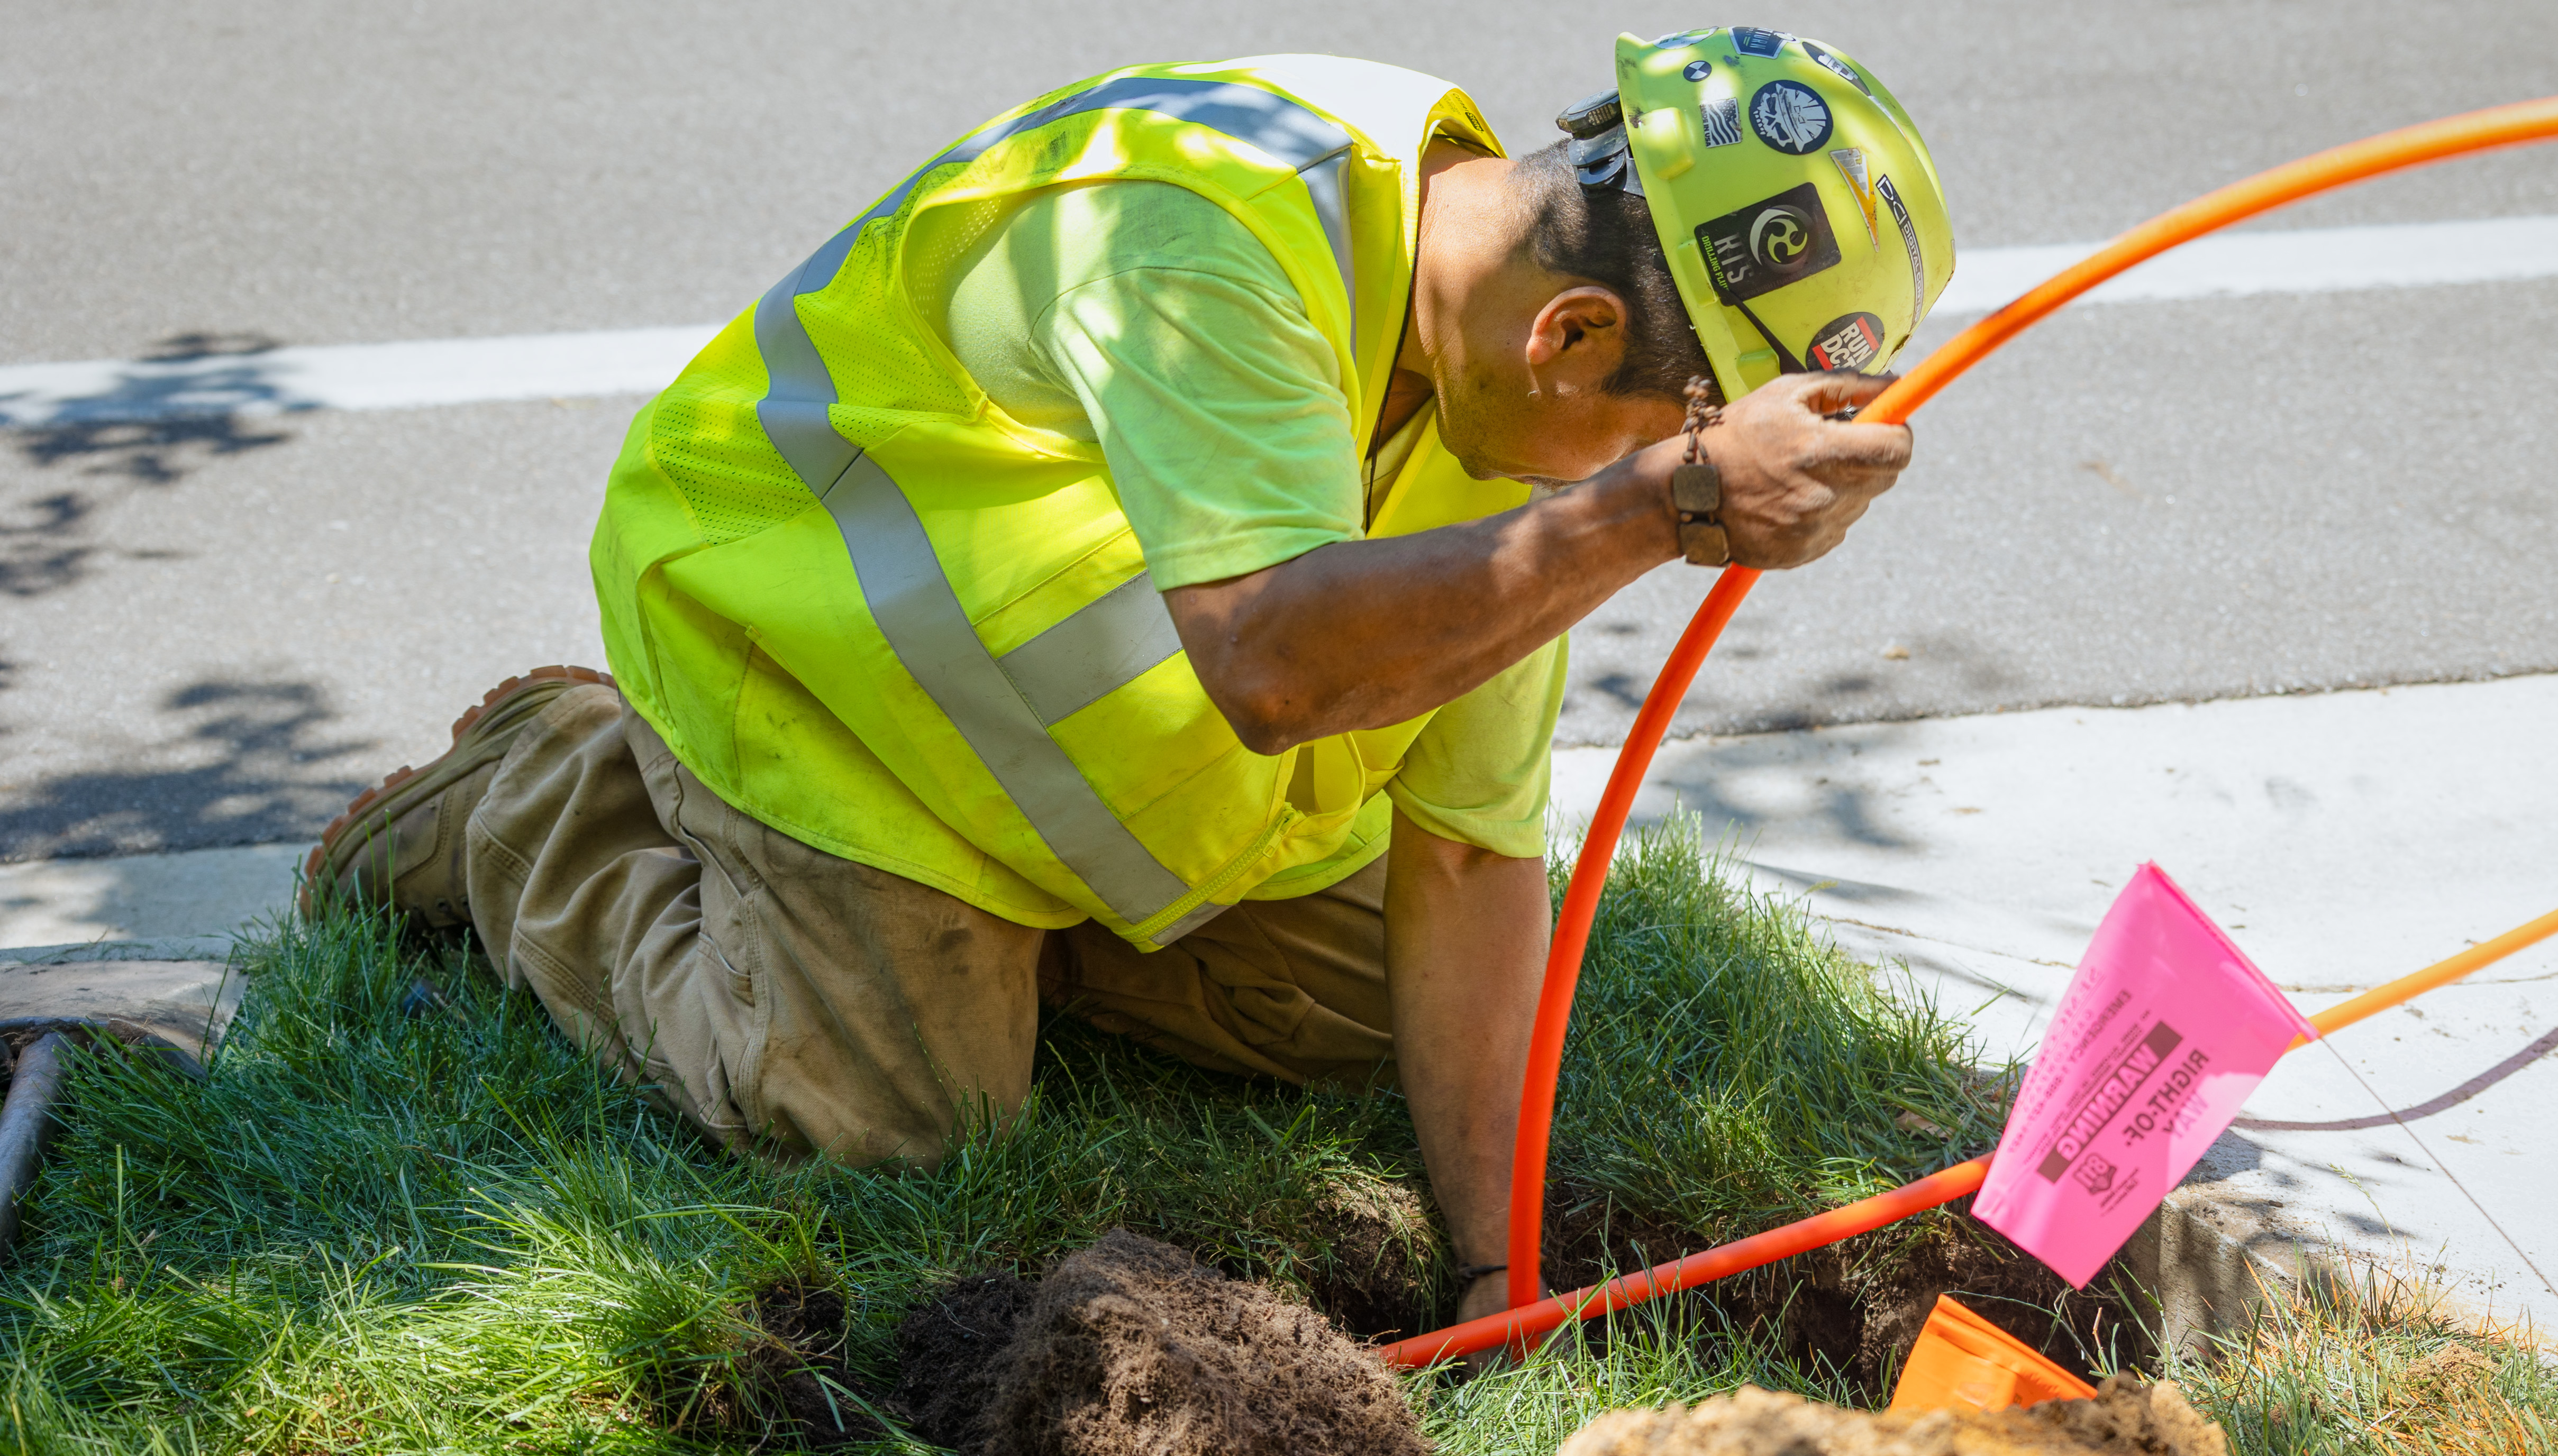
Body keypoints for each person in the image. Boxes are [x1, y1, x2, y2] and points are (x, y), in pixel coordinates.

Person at [304, 31, 1954, 1327]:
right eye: (1671, 435)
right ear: (1575, 338)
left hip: (1073, 724)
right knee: (894, 1131)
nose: (1657, 493)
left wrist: (1492, 1273)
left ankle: (1013, 953)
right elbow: (1272, 663)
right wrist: (1651, 508)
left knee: (1363, 1005)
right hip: (816, 663)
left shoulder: (1504, 390)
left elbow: (1463, 853)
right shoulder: (1208, 233)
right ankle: (547, 791)